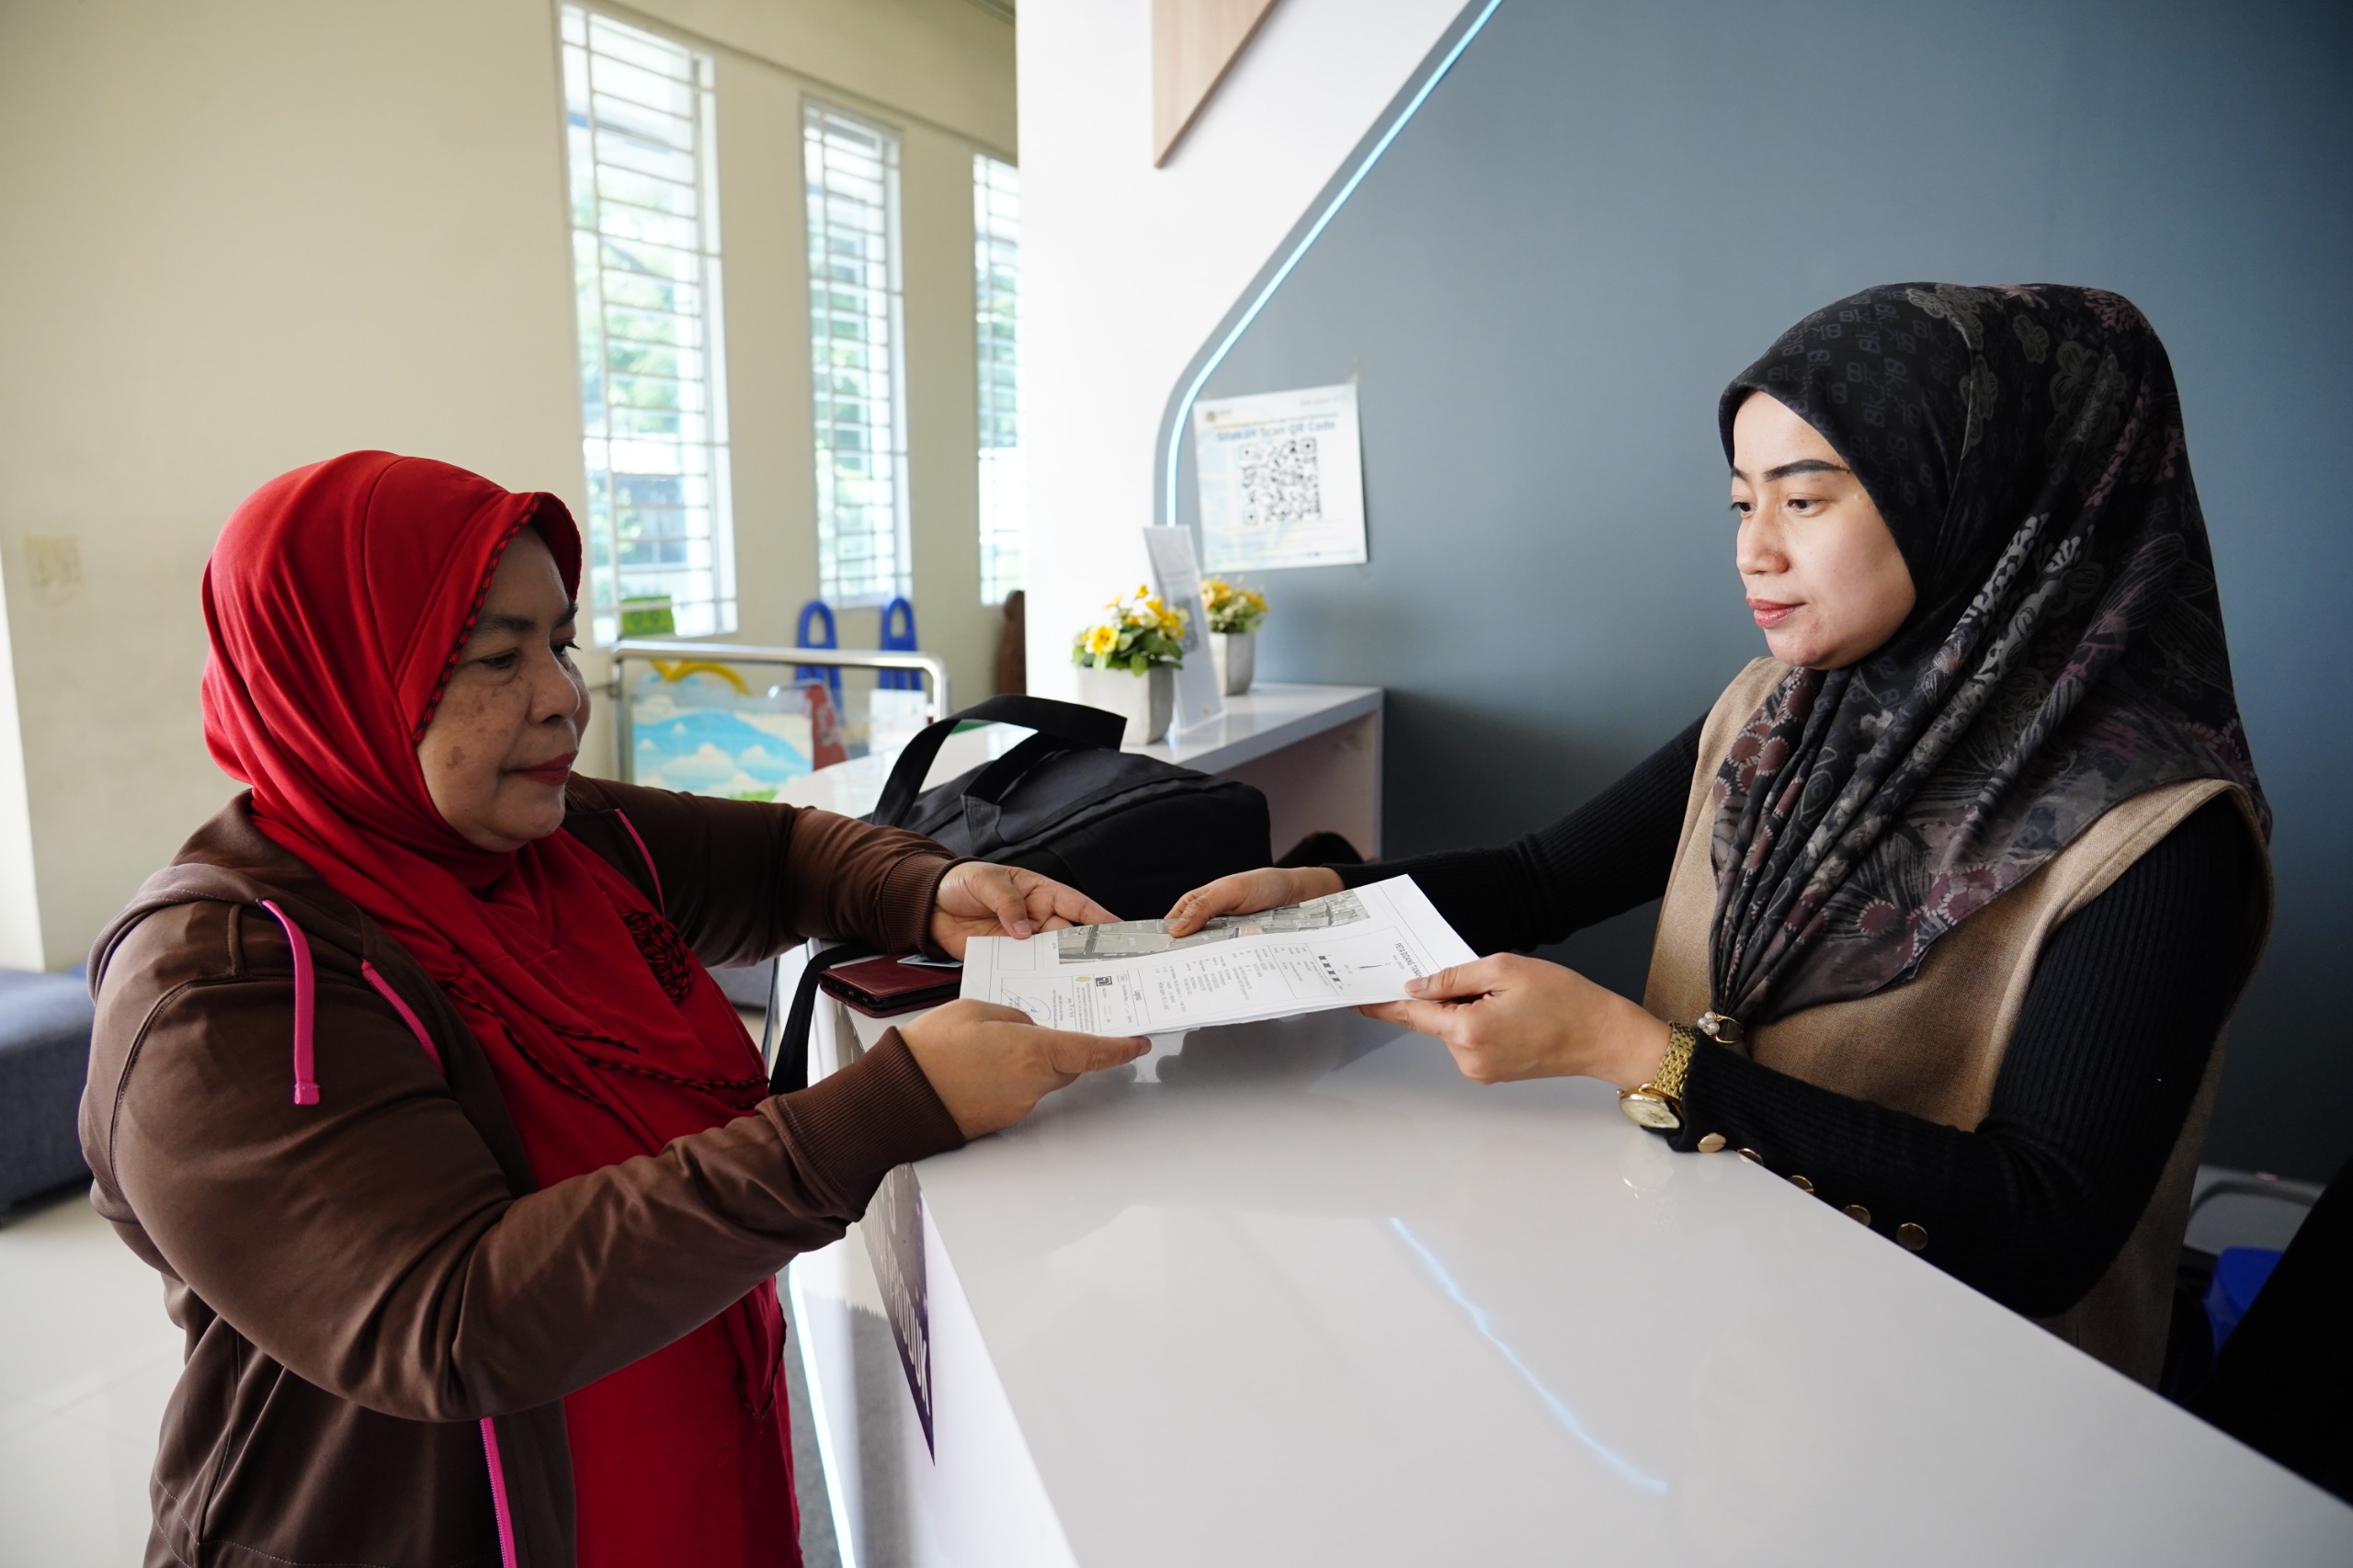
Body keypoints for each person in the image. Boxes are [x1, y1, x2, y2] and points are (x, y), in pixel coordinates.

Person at [1170, 284, 2271, 1383]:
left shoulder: (2157, 835)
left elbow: (2044, 1225)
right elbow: (1541, 876)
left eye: (1805, 500)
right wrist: (1322, 893)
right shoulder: (1774, 714)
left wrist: (1637, 1054)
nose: (1754, 550)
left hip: (1954, 1402)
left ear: (1977, 497)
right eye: (1742, 503)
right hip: (1723, 1333)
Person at [81, 452, 1145, 1568]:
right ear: (337, 679)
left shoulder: (547, 837)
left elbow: (777, 856)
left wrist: (925, 890)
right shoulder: (222, 982)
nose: (562, 696)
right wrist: (883, 1108)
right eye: (499, 656)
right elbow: (447, 1316)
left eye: (561, 642)